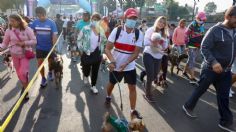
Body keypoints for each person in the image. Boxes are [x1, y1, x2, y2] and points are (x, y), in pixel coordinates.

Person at [182, 6, 236, 132]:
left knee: (223, 96)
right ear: (228, 16)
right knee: (201, 89)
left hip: (226, 72)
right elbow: (204, 47)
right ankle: (188, 106)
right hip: (210, 69)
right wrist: (214, 62)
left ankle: (226, 122)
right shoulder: (215, 30)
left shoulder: (234, 31)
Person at [105, 8, 144, 119]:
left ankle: (132, 110)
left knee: (132, 88)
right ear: (125, 18)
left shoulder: (138, 33)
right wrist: (112, 61)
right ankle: (108, 96)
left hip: (129, 66)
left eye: (134, 18)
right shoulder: (117, 30)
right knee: (111, 84)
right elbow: (107, 49)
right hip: (116, 65)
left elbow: (136, 53)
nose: (132, 20)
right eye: (130, 18)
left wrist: (126, 63)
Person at [0, 14, 36, 100]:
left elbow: (34, 41)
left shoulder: (27, 29)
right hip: (14, 55)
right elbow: (5, 43)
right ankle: (25, 88)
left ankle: (25, 90)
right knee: (20, 75)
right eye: (10, 21)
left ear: (19, 20)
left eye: (13, 21)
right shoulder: (9, 31)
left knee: (22, 73)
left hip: (24, 55)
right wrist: (1, 48)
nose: (11, 23)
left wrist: (24, 43)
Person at [77, 13, 107, 94]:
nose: (95, 21)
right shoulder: (85, 28)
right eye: (94, 19)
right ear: (91, 19)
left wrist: (103, 52)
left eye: (97, 19)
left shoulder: (101, 30)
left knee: (95, 71)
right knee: (86, 68)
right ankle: (86, 75)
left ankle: (93, 86)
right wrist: (81, 49)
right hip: (87, 52)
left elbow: (104, 41)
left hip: (97, 53)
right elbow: (79, 39)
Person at [142, 16, 169, 102]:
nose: (161, 24)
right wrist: (154, 43)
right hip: (148, 54)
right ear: (157, 21)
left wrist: (165, 44)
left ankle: (146, 83)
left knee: (154, 76)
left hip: (158, 57)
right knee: (150, 76)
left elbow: (164, 47)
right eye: (160, 21)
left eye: (163, 23)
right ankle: (148, 94)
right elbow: (145, 42)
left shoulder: (165, 34)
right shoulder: (150, 30)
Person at [31, 7, 58, 88]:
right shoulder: (35, 23)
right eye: (39, 16)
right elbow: (32, 33)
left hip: (49, 47)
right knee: (40, 64)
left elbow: (54, 35)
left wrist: (54, 47)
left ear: (45, 14)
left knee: (50, 62)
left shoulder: (51, 23)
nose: (41, 17)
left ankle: (50, 72)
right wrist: (33, 46)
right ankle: (43, 78)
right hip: (39, 47)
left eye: (42, 15)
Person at [183, 12, 206, 84]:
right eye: (201, 19)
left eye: (203, 20)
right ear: (197, 18)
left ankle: (184, 71)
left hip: (197, 45)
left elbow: (202, 36)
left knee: (191, 59)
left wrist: (201, 45)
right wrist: (186, 46)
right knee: (192, 61)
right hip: (190, 45)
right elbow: (185, 36)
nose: (202, 21)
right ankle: (192, 78)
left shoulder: (202, 25)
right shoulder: (192, 25)